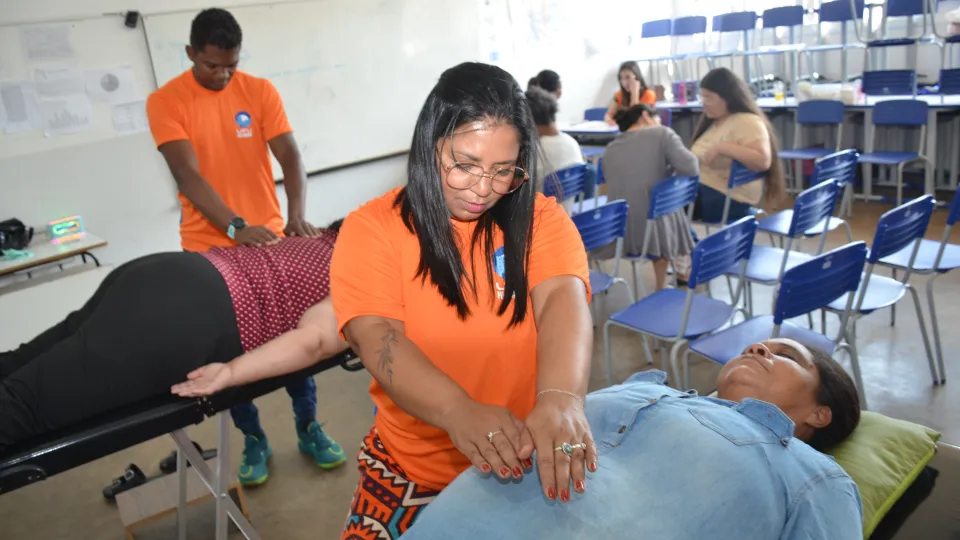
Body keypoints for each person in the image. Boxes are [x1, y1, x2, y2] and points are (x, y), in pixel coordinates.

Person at [331, 62, 594, 540]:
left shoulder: (541, 220)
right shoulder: (373, 230)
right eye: (465, 165)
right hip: (417, 468)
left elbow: (563, 297)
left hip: (526, 454)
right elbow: (377, 335)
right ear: (430, 144)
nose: (483, 188)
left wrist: (561, 397)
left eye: (503, 171)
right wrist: (456, 410)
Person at [145, 7, 344, 484]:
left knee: (296, 334)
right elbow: (187, 175)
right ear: (191, 53)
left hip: (268, 239)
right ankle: (253, 438)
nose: (223, 74)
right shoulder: (166, 101)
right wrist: (235, 228)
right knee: (230, 349)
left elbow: (290, 155)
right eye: (212, 64)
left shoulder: (258, 90)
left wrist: (294, 215)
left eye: (231, 64)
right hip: (208, 249)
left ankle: (309, 426)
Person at [400, 339, 864, 539]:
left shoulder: (812, 475)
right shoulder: (645, 389)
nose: (757, 347)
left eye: (786, 356)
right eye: (758, 345)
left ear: (820, 413)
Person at [0, 225, 348, 464]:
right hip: (182, 316)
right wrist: (231, 371)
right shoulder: (362, 276)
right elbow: (315, 341)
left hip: (169, 271)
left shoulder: (327, 236)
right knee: (22, 408)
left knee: (20, 366)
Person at [601, 104, 699, 290]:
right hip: (655, 232)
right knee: (665, 202)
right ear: (646, 115)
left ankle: (674, 273)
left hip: (620, 231)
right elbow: (691, 167)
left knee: (654, 198)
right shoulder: (661, 133)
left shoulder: (610, 149)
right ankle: (671, 278)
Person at [689, 67, 786, 224]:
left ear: (728, 98)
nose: (704, 103)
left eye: (709, 98)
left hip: (724, 197)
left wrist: (723, 147)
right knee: (660, 195)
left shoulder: (747, 121)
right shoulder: (716, 121)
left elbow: (763, 161)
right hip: (707, 191)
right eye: (702, 97)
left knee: (662, 204)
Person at [525, 87, 594, 200]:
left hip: (539, 210)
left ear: (529, 120)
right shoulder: (572, 142)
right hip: (566, 210)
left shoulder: (535, 152)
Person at [603, 61, 656, 125]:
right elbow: (609, 115)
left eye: (628, 77)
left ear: (637, 77)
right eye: (621, 78)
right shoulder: (619, 94)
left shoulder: (649, 94)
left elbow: (635, 118)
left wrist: (634, 93)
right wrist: (609, 119)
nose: (624, 82)